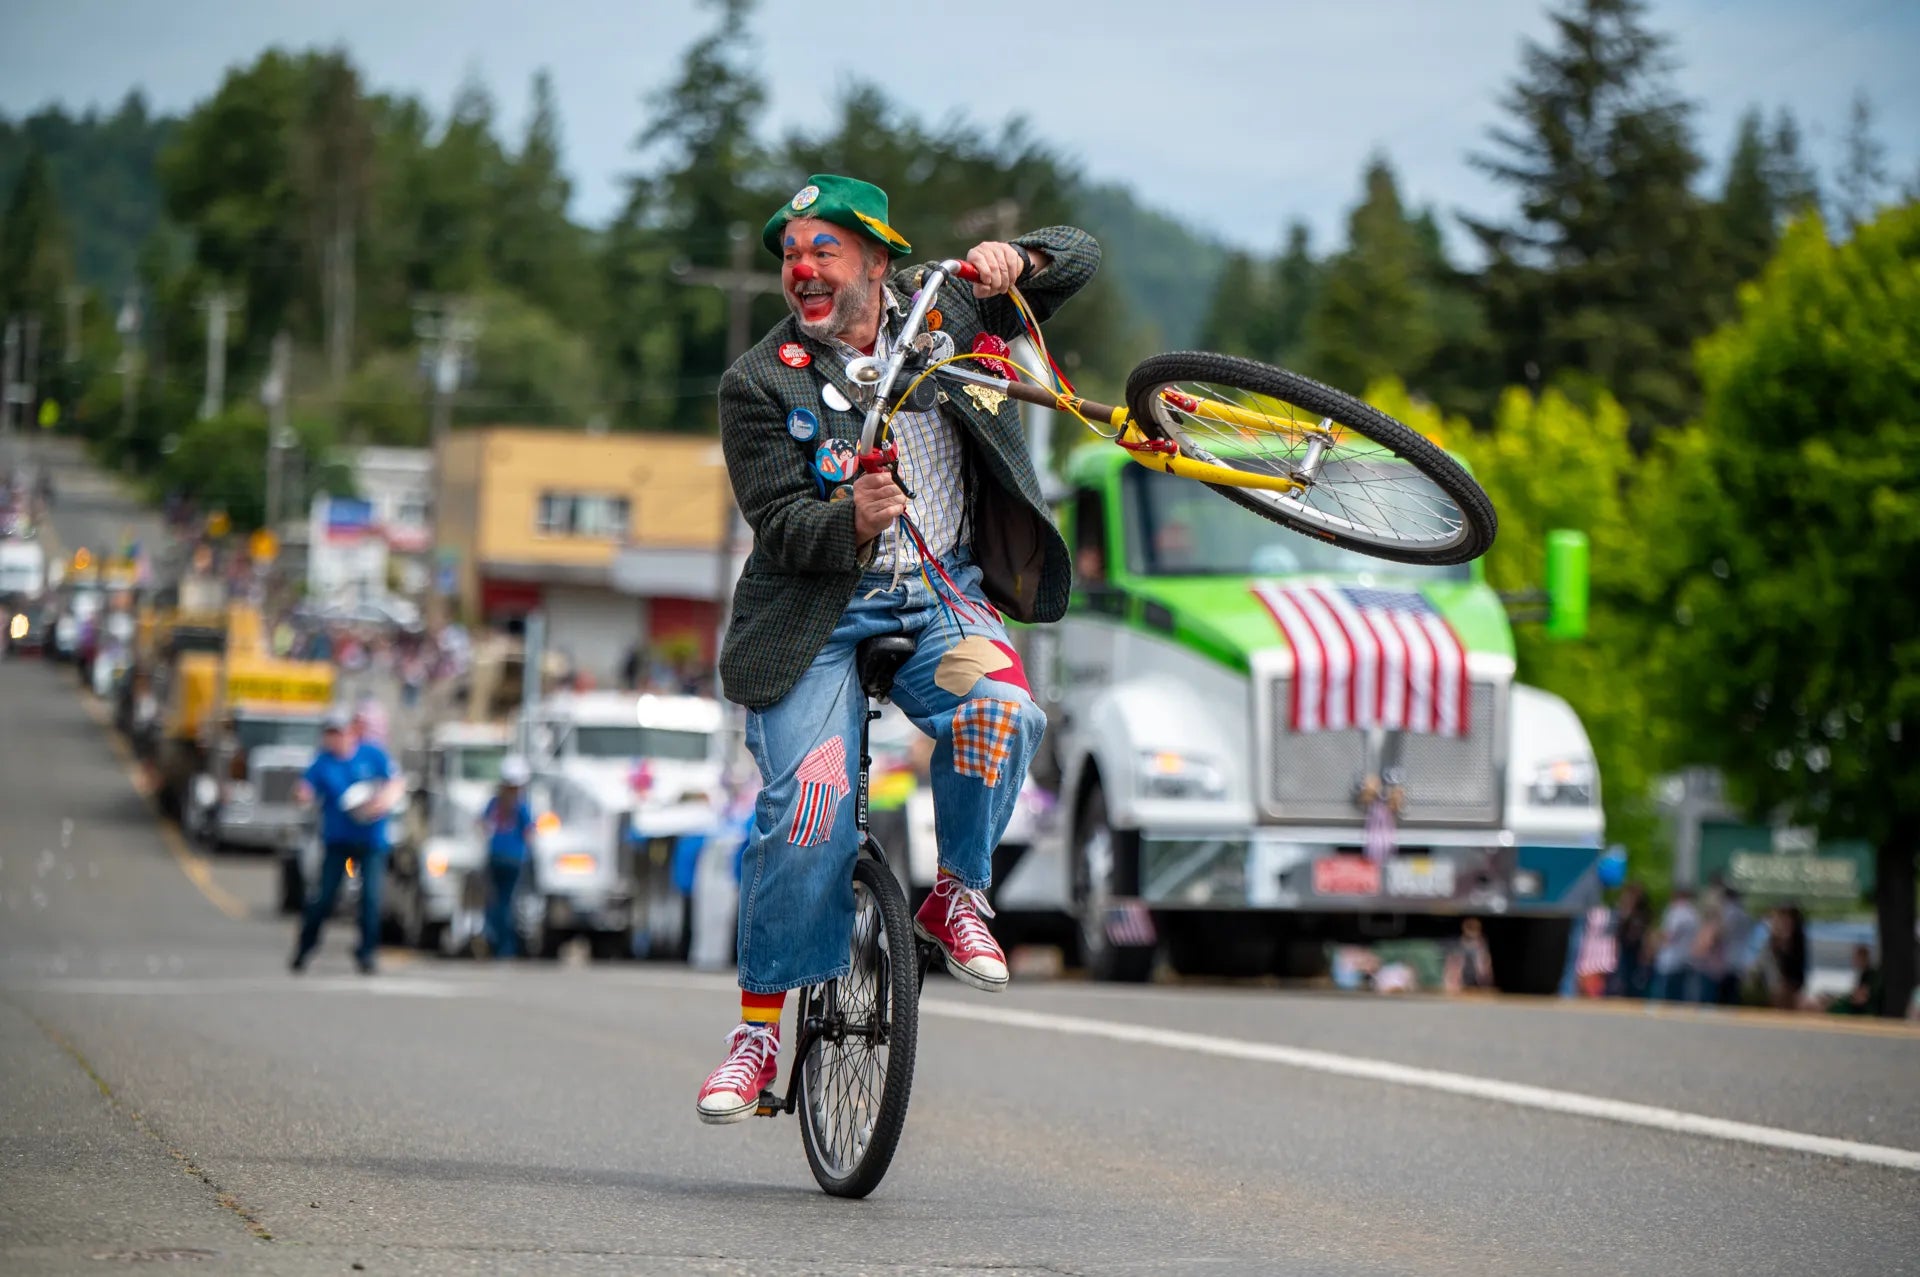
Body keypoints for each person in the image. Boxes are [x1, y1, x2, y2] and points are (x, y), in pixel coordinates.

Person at [693, 173, 1097, 1124]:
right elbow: (780, 521)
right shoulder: (760, 379)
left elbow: (1077, 256)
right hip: (815, 615)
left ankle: (956, 895)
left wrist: (1019, 261)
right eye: (790, 256)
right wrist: (848, 521)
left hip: (943, 598)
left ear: (878, 258)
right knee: (811, 807)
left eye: (822, 250)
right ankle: (757, 1031)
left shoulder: (944, 305)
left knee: (1004, 711)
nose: (801, 269)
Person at [291, 706, 403, 974]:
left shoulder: (371, 754)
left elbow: (395, 783)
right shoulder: (323, 762)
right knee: (324, 897)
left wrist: (382, 801)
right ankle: (306, 946)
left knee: (371, 899)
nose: (333, 738)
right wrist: (303, 795)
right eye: (329, 732)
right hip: (338, 840)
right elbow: (306, 787)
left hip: (371, 840)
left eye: (338, 732)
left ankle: (366, 953)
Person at [480, 755, 535, 959]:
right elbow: (530, 832)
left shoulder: (495, 802)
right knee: (506, 903)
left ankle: (494, 940)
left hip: (495, 855)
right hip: (513, 858)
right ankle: (505, 946)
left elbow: (482, 824)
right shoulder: (521, 806)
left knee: (495, 901)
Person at [1649, 887, 1700, 1002]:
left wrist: (1654, 936)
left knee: (1667, 997)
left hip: (1670, 961)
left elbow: (1669, 935)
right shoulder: (1693, 914)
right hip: (1686, 959)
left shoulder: (1676, 912)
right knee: (1680, 996)